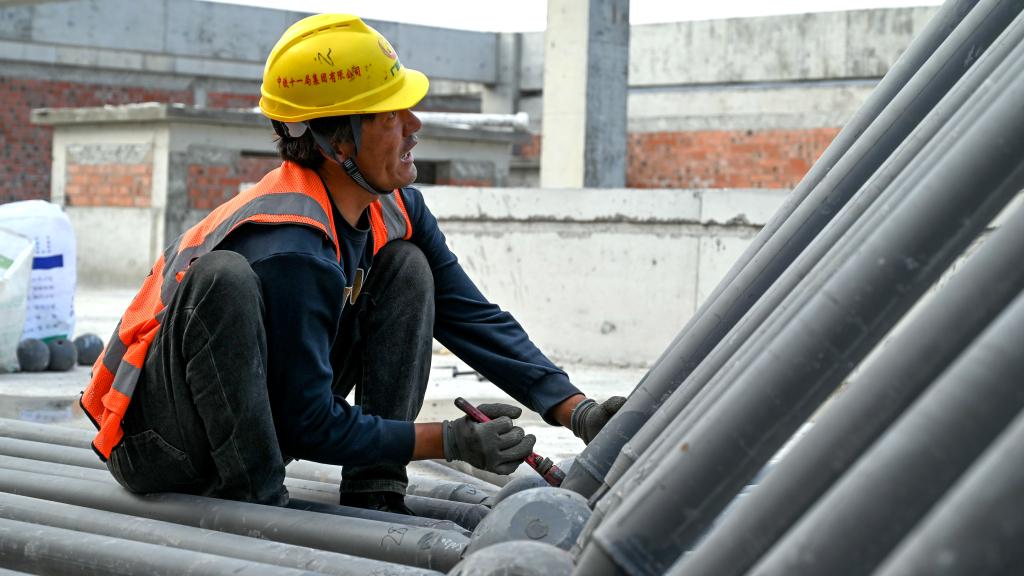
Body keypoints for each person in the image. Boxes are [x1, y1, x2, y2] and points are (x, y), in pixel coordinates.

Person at [80, 13, 626, 514]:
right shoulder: (292, 246)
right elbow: (308, 422)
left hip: (253, 420)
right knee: (222, 279)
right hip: (161, 445)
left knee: (408, 268)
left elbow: (470, 316)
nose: (413, 125)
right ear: (337, 141)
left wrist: (574, 410)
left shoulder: (394, 206)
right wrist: (449, 439)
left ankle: (376, 494)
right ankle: (258, 507)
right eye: (390, 114)